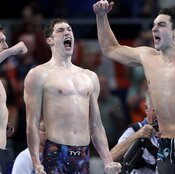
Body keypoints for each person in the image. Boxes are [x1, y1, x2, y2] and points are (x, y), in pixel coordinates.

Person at [93, 0, 175, 174]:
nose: (154, 29)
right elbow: (110, 49)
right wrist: (101, 17)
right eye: (153, 25)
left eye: (161, 25)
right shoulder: (148, 57)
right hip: (166, 144)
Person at [24, 18, 121, 174]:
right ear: (50, 40)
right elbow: (32, 123)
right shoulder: (38, 74)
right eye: (61, 30)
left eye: (69, 30)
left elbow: (96, 125)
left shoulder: (90, 77)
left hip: (83, 153)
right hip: (55, 150)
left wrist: (108, 161)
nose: (67, 32)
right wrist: (36, 162)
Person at [0, 24, 28, 174]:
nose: (6, 45)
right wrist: (10, 52)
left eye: (6, 41)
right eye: (1, 41)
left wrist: (3, 122)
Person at [111, 91, 159, 174]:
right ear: (146, 108)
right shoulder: (136, 129)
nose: (159, 115)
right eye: (155, 110)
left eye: (163, 111)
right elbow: (112, 157)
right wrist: (138, 135)